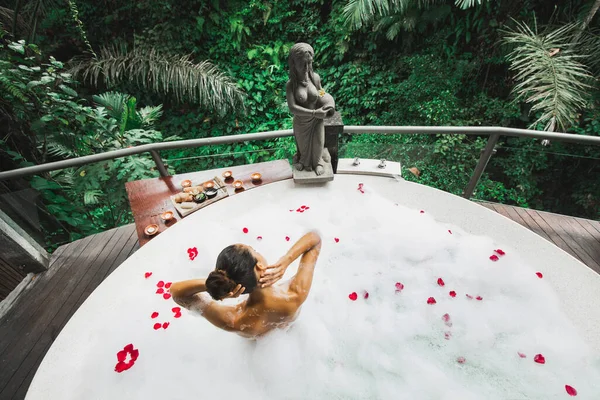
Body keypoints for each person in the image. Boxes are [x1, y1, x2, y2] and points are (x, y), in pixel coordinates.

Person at [170, 231, 322, 338]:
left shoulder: (235, 320)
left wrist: (211, 284)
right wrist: (287, 260)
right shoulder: (295, 294)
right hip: (289, 334)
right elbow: (314, 240)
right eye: (254, 250)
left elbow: (177, 294)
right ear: (260, 266)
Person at [286, 43, 335, 176]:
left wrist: (329, 102)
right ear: (294, 64)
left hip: (317, 120)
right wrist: (314, 112)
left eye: (309, 63)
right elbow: (292, 108)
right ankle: (304, 161)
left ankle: (318, 162)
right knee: (304, 147)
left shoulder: (316, 78)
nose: (307, 68)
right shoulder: (291, 85)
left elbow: (321, 94)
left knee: (319, 143)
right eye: (302, 64)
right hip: (302, 122)